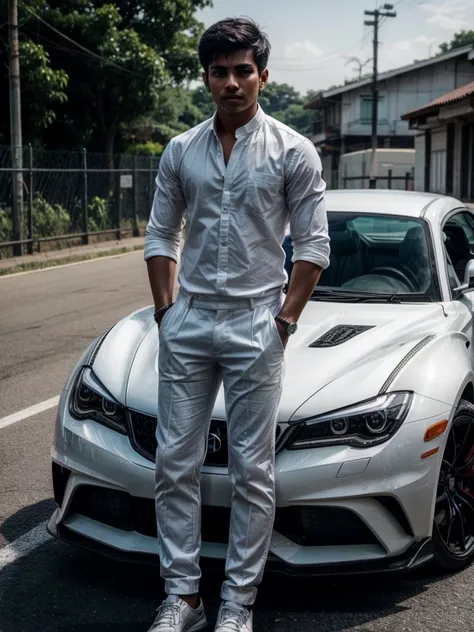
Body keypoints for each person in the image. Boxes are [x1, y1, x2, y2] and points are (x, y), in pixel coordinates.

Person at [144, 16, 330, 632]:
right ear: (205, 78)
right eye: (220, 71)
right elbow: (160, 235)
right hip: (190, 320)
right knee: (175, 460)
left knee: (252, 469)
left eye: (243, 70)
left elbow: (313, 246)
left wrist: (284, 318)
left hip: (257, 321)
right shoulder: (180, 150)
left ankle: (236, 605)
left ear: (263, 76)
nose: (232, 82)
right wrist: (168, 313)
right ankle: (184, 598)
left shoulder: (293, 151)